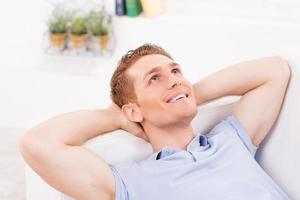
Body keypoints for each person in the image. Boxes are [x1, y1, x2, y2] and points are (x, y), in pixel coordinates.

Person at [20, 44, 291, 200]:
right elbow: (37, 143)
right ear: (134, 111)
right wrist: (114, 117)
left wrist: (187, 93)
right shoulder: (132, 182)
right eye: (154, 78)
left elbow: (275, 70)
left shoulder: (230, 139)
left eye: (175, 70)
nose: (173, 78)